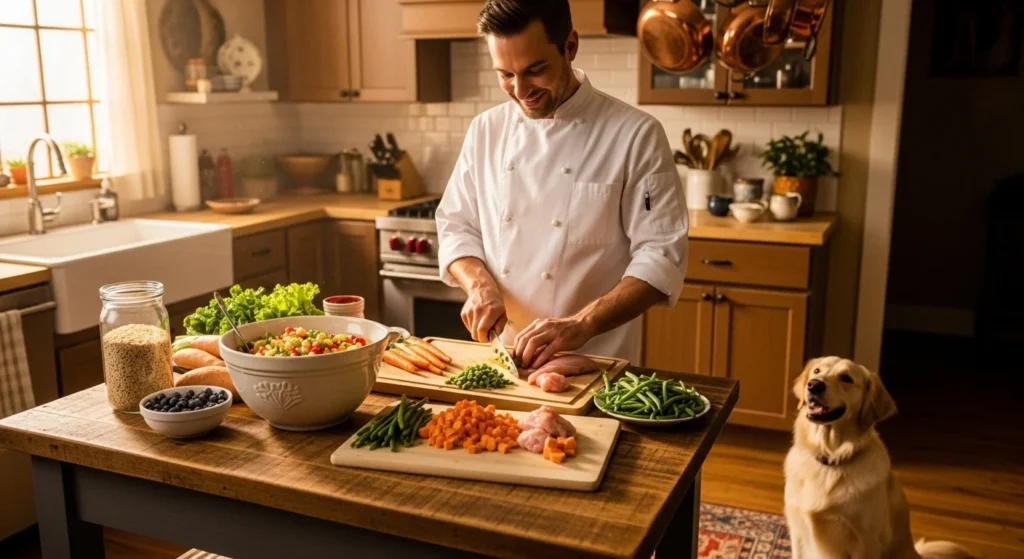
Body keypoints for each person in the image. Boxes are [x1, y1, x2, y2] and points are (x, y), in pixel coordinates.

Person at [435, 0, 689, 368]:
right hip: (502, 362)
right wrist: (478, 283)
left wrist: (581, 323)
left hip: (595, 365)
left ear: (570, 46)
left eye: (535, 70)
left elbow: (661, 255)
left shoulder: (635, 135)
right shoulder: (485, 131)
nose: (520, 90)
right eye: (505, 74)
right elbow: (456, 226)